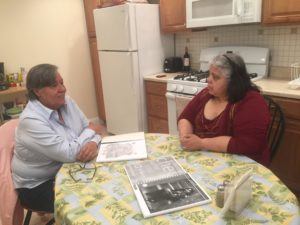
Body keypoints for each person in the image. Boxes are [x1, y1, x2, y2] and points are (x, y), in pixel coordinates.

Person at [12, 64, 108, 213]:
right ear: (37, 91)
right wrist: (90, 131)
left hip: (68, 168)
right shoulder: (30, 121)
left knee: (107, 181)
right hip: (38, 185)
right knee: (90, 201)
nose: (62, 89)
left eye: (62, 83)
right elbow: (70, 153)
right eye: (53, 85)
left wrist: (93, 142)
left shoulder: (67, 101)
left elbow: (90, 128)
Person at [178, 53, 270, 166]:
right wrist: (186, 137)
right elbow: (186, 117)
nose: (208, 80)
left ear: (233, 82)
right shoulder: (206, 94)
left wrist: (201, 143)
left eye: (215, 77)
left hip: (242, 167)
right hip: (204, 162)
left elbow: (247, 144)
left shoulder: (252, 102)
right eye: (209, 74)